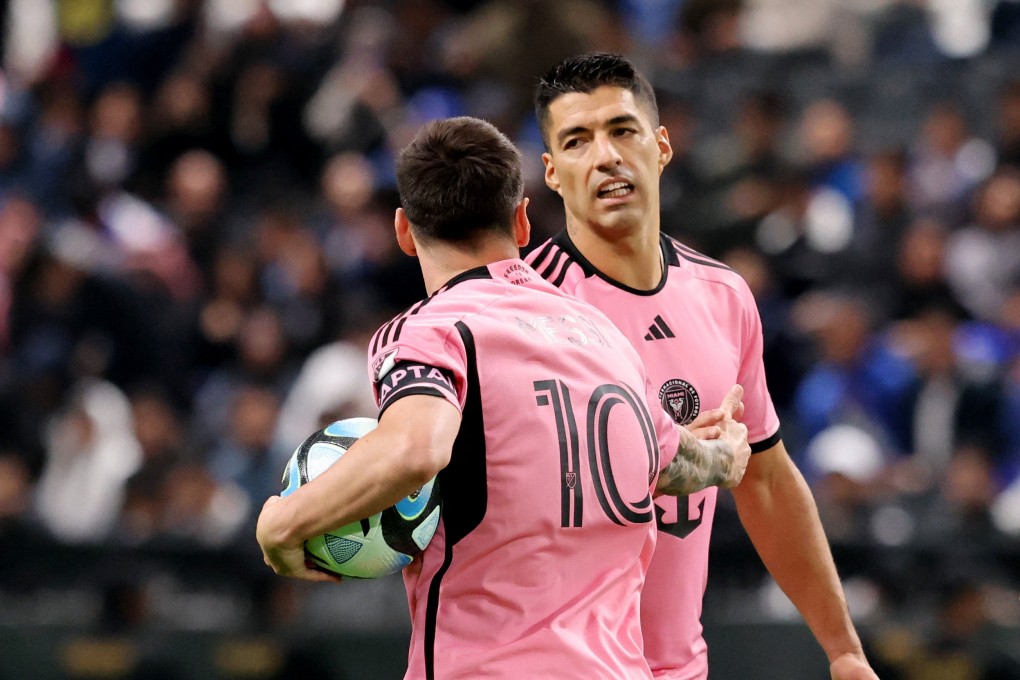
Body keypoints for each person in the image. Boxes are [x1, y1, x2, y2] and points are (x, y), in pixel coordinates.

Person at [256, 116, 751, 679]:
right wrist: (728, 454)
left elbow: (415, 449)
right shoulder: (603, 337)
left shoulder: (430, 331)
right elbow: (678, 463)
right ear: (521, 222)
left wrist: (283, 522)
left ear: (402, 230)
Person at [527, 53, 879, 680]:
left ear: (660, 147)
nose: (605, 155)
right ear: (552, 173)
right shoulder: (523, 311)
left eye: (622, 130)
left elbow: (767, 483)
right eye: (577, 141)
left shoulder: (724, 297)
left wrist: (843, 648)